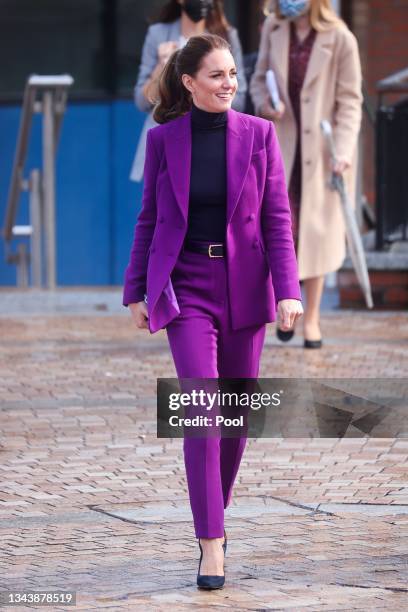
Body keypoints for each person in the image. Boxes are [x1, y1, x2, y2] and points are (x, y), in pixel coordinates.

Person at [123, 33, 303, 590]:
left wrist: (288, 289)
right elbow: (149, 219)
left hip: (247, 285)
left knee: (236, 418)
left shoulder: (260, 135)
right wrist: (136, 290)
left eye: (232, 74)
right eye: (218, 75)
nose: (230, 83)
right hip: (187, 287)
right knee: (200, 411)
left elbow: (277, 219)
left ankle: (212, 518)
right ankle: (210, 544)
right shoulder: (163, 141)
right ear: (189, 82)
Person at [250, 0, 363, 348]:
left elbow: (350, 101)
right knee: (282, 231)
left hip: (324, 153)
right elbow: (257, 81)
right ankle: (285, 309)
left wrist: (342, 151)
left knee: (316, 234)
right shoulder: (274, 28)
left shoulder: (341, 38)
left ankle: (311, 318)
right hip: (282, 144)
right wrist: (266, 107)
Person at [130, 0, 247, 181]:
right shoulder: (158, 34)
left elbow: (238, 99)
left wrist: (206, 95)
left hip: (213, 142)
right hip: (168, 143)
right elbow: (142, 100)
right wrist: (162, 67)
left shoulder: (226, 36)